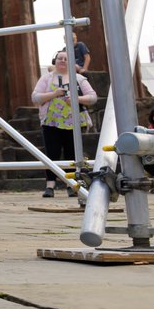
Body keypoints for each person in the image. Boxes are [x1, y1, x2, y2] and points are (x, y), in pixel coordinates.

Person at [33, 51, 97, 198]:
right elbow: (35, 97)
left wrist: (77, 99)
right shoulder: (46, 78)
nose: (62, 61)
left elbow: (93, 97)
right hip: (51, 122)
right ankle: (50, 185)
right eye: (60, 58)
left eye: (66, 59)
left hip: (74, 122)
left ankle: (71, 184)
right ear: (55, 61)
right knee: (51, 153)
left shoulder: (79, 79)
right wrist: (54, 94)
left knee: (72, 153)